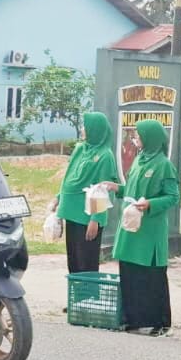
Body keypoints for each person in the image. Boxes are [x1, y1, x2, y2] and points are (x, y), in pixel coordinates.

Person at [110, 118, 179, 335]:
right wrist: (117, 188)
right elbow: (131, 189)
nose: (135, 139)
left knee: (150, 276)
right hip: (131, 227)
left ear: (151, 139)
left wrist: (150, 204)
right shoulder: (140, 160)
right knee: (130, 273)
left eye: (138, 136)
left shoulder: (163, 165)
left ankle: (157, 322)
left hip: (149, 229)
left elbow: (172, 196)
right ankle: (132, 319)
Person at [56, 111, 118, 274]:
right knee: (74, 263)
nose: (83, 129)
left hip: (87, 217)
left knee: (86, 264)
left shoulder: (105, 156)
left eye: (86, 126)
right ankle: (76, 298)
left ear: (96, 130)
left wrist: (95, 219)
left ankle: (89, 298)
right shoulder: (80, 149)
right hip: (71, 212)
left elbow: (103, 189)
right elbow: (69, 175)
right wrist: (58, 198)